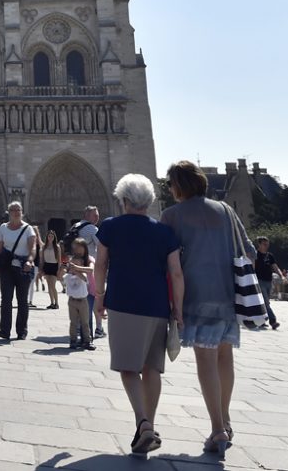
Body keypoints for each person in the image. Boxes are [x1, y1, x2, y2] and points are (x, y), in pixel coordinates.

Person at [161, 160, 251, 458]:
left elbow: (165, 260)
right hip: (228, 296)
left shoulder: (171, 215)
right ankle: (225, 420)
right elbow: (248, 251)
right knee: (225, 358)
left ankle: (217, 429)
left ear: (178, 186)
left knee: (206, 361)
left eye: (171, 184)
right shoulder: (226, 210)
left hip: (196, 297)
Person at [94, 173, 183, 456]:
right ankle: (147, 426)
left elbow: (100, 265)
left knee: (128, 368)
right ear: (148, 201)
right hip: (157, 307)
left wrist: (98, 297)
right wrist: (178, 311)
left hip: (122, 303)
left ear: (124, 201)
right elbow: (177, 273)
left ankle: (143, 423)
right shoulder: (164, 233)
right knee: (152, 368)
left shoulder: (110, 227)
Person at [0, 201, 37, 341]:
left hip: (23, 268)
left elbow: (32, 248)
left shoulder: (28, 229)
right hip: (6, 268)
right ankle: (5, 330)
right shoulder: (3, 227)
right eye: (13, 210)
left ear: (22, 212)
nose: (16, 212)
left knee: (22, 300)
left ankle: (21, 331)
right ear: (8, 213)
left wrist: (30, 260)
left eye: (18, 210)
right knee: (6, 299)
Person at [68, 206, 104, 338]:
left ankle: (78, 327)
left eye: (98, 215)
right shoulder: (92, 229)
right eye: (95, 215)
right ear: (87, 215)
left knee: (78, 297)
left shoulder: (75, 227)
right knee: (94, 299)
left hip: (75, 267)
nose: (97, 217)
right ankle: (98, 329)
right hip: (89, 268)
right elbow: (102, 245)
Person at [65, 239, 95, 350]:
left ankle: (87, 340)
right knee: (75, 321)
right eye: (75, 247)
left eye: (79, 247)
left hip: (90, 291)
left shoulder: (89, 259)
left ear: (84, 247)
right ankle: (77, 340)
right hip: (75, 295)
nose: (77, 249)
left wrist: (76, 268)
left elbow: (91, 270)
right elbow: (64, 276)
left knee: (87, 319)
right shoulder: (73, 260)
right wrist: (67, 268)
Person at [255, 237, 284, 330]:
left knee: (264, 302)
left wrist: (281, 275)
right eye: (264, 244)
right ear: (259, 244)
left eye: (267, 244)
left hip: (269, 281)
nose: (266, 246)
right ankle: (273, 321)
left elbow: (275, 266)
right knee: (265, 302)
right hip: (259, 281)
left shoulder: (269, 255)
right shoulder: (255, 254)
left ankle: (260, 321)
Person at [40, 229, 62, 309]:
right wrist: (41, 269)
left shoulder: (57, 247)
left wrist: (58, 270)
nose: (50, 238)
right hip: (46, 266)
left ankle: (56, 303)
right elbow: (42, 259)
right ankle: (52, 303)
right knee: (49, 286)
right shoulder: (44, 246)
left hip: (54, 266)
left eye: (52, 236)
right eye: (49, 236)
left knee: (53, 285)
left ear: (54, 237)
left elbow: (59, 260)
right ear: (47, 237)